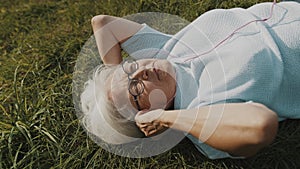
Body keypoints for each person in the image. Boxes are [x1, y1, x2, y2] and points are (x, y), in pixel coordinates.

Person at [80, 1, 300, 159]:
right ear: (145, 116)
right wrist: (167, 118)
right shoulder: (202, 111)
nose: (140, 73)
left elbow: (102, 24)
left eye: (129, 68)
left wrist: (116, 76)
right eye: (136, 90)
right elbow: (260, 126)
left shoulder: (163, 53)